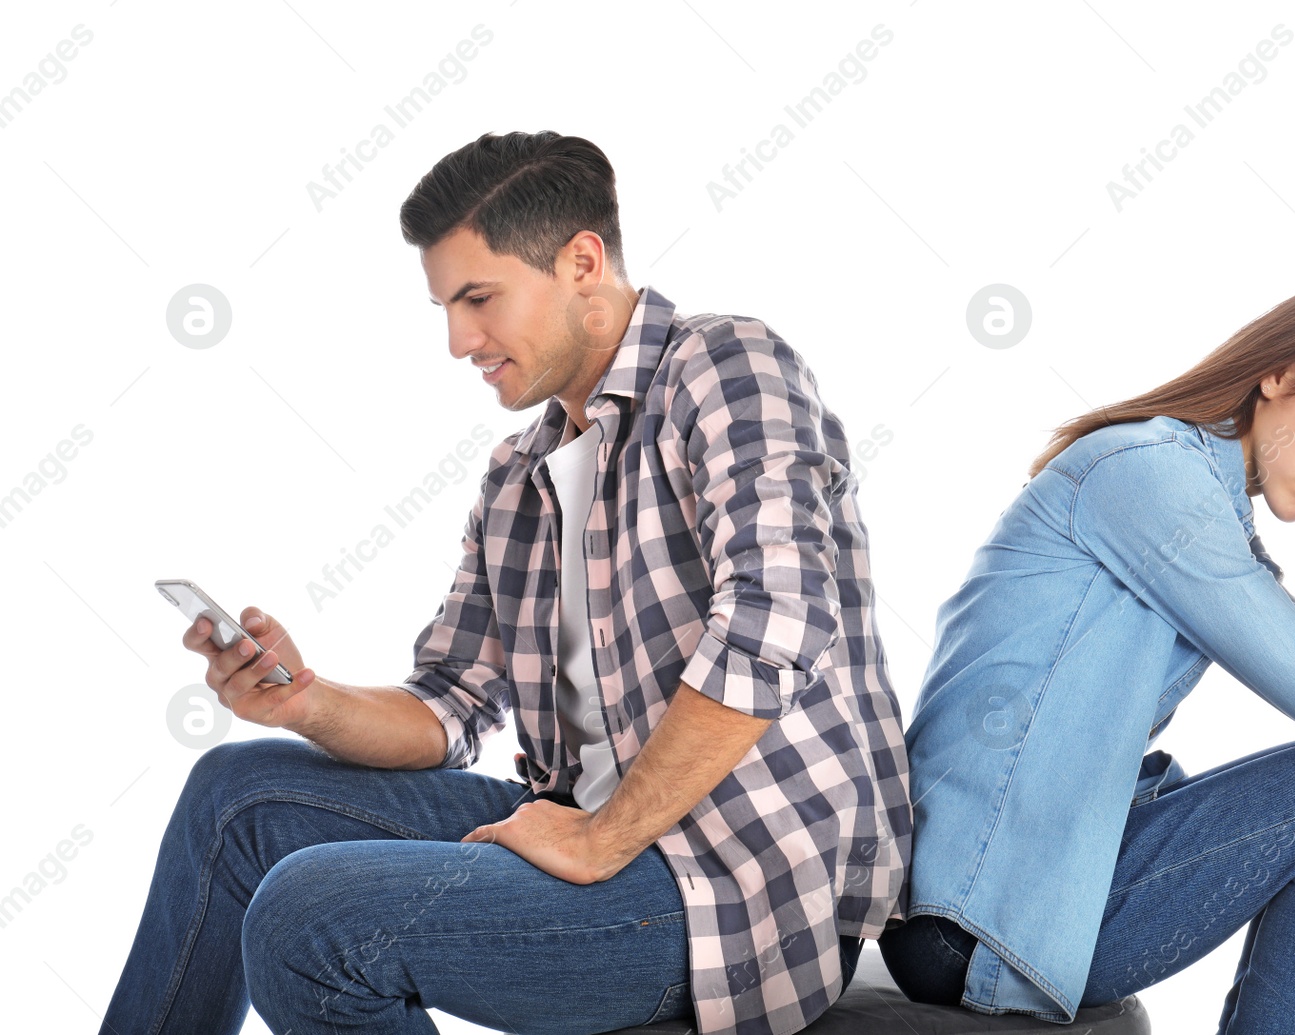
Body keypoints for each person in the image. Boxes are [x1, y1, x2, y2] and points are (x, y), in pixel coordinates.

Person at [100, 130, 912, 1035]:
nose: (458, 340)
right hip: (576, 826)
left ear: (582, 262)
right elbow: (450, 705)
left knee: (312, 916)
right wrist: (305, 701)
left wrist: (604, 837)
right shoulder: (520, 473)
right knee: (233, 796)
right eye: (445, 305)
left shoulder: (724, 367)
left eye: (478, 298)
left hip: (730, 881)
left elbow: (775, 622)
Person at [877, 282, 1295, 1033]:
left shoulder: (1198, 510)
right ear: (1280, 374)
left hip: (1007, 890)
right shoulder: (1152, 477)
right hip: (977, 914)